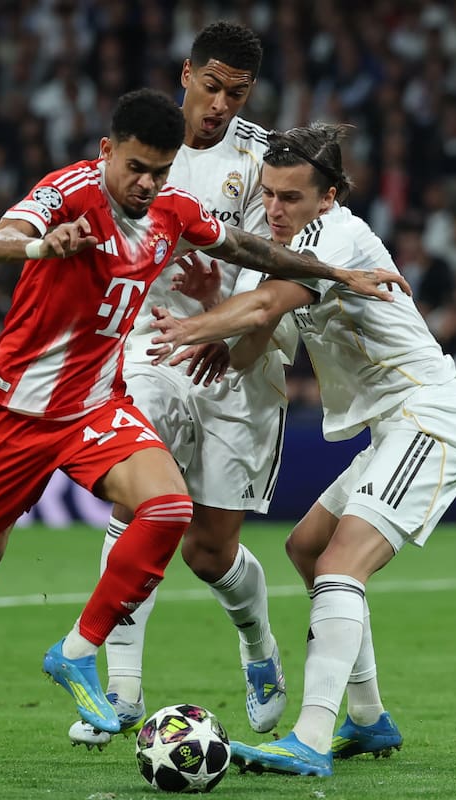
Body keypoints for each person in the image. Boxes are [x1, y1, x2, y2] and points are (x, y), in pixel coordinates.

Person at [0, 91, 408, 757]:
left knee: (168, 509)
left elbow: (253, 251)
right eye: (137, 168)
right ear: (107, 152)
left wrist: (336, 271)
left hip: (93, 408)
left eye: (160, 170)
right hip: (14, 413)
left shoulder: (172, 209)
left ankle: (79, 654)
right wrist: (40, 245)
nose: (147, 184)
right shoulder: (69, 192)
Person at [149, 123, 456, 776]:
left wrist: (194, 325)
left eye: (292, 197)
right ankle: (368, 718)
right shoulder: (281, 252)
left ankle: (309, 737)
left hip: (431, 418)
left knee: (339, 565)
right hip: (394, 429)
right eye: (268, 195)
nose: (275, 210)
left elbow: (265, 305)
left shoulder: (336, 235)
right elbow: (251, 341)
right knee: (306, 548)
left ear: (328, 196)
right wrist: (219, 321)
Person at [68, 21, 300, 750]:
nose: (221, 105)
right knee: (139, 505)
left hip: (239, 361)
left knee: (209, 553)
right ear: (186, 73)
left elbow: (275, 263)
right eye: (212, 86)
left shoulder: (263, 159)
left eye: (238, 93)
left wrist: (226, 328)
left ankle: (259, 645)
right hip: (153, 347)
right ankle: (120, 689)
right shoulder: (144, 150)